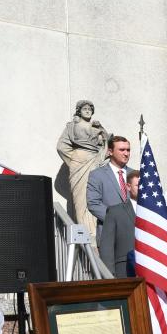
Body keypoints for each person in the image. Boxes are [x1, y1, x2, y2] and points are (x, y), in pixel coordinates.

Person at [56, 100, 108, 242]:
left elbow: (107, 144)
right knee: (81, 199)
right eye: (84, 108)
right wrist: (74, 160)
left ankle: (96, 232)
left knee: (95, 195)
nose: (87, 111)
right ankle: (85, 233)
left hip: (95, 161)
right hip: (80, 163)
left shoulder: (96, 126)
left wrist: (102, 131)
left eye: (90, 109)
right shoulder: (72, 126)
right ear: (79, 110)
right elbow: (61, 146)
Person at [87, 135, 133, 245]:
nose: (126, 153)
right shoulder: (97, 175)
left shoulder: (137, 175)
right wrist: (117, 219)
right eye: (122, 150)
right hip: (109, 236)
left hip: (135, 236)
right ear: (110, 152)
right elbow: (93, 204)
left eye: (128, 150)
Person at [99, 170, 140, 277]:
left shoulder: (154, 213)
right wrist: (109, 276)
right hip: (124, 272)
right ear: (128, 186)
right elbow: (106, 248)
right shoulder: (115, 212)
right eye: (138, 185)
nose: (142, 188)